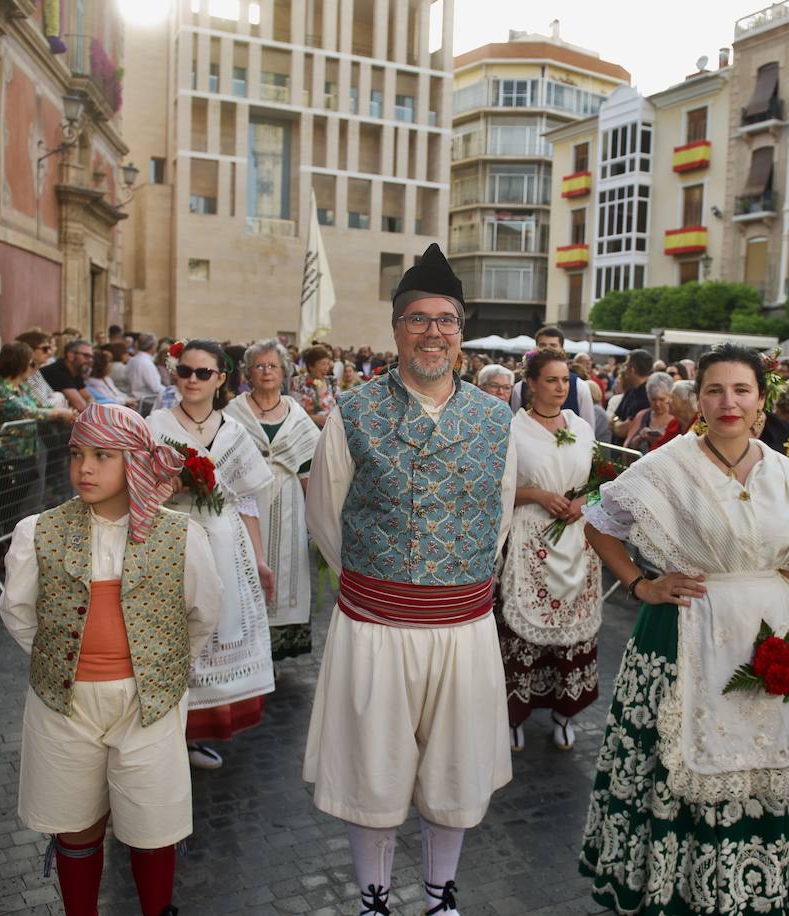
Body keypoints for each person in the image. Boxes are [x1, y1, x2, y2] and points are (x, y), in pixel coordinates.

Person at [579, 343, 789, 915]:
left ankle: (759, 893)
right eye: (716, 390)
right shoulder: (669, 464)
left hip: (774, 634)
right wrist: (639, 584)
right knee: (681, 768)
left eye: (741, 390)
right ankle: (685, 896)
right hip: (685, 636)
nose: (729, 402)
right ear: (698, 399)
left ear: (760, 402)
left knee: (769, 762)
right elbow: (598, 523)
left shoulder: (784, 472)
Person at [303, 243, 516, 916]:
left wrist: (453, 581)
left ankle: (438, 891)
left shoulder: (495, 417)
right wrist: (386, 581)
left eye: (446, 319)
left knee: (454, 768)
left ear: (460, 333)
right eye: (419, 318)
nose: (433, 331)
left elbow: (502, 515)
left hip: (464, 628)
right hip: (376, 628)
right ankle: (372, 895)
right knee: (373, 767)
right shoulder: (353, 412)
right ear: (396, 330)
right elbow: (326, 517)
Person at [0, 404, 222, 916]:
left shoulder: (179, 535)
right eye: (77, 454)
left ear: (136, 462)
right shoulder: (39, 531)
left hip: (149, 703)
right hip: (65, 704)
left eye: (103, 456)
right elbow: (18, 611)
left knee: (151, 822)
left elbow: (201, 612)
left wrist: (161, 665)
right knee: (73, 819)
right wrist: (64, 661)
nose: (85, 469)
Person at [149, 340, 275, 769]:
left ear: (221, 379)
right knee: (172, 636)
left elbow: (245, 501)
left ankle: (195, 734)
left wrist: (259, 559)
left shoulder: (234, 430)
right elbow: (135, 491)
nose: (193, 380)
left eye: (204, 373)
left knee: (215, 633)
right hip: (170, 544)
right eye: (185, 371)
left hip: (225, 547)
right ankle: (162, 732)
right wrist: (170, 487)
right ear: (175, 373)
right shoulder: (155, 425)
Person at [499, 348, 601, 753]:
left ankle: (565, 713)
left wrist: (586, 500)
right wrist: (537, 494)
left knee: (571, 634)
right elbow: (500, 488)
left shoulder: (581, 426)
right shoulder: (513, 429)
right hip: (529, 539)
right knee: (520, 633)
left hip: (576, 541)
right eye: (552, 380)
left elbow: (597, 480)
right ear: (532, 385)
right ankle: (513, 716)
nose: (561, 388)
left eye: (566, 381)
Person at [224, 339, 321, 661]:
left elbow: (311, 466)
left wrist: (319, 520)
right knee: (242, 566)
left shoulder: (295, 414)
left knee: (285, 569)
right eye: (259, 366)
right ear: (248, 372)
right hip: (243, 502)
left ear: (285, 373)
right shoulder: (233, 413)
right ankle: (243, 646)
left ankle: (273, 651)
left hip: (288, 505)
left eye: (273, 366)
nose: (266, 371)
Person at [507, 326, 596, 429]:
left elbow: (589, 426)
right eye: (542, 345)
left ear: (562, 350)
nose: (547, 349)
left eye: (553, 345)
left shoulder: (579, 386)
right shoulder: (520, 387)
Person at [621, 371, 674, 453]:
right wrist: (639, 438)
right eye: (653, 399)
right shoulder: (643, 415)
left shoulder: (676, 417)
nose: (657, 404)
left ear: (670, 396)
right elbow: (627, 446)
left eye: (662, 399)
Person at [611, 349, 654, 442]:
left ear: (632, 369)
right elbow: (612, 421)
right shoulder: (630, 390)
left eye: (626, 365)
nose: (624, 369)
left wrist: (615, 422)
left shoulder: (648, 396)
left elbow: (625, 430)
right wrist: (616, 422)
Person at [41, 339, 94, 413]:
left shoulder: (76, 371)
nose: (90, 360)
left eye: (91, 357)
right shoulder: (57, 371)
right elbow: (81, 407)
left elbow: (89, 398)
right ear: (71, 355)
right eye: (86, 356)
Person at [649, 379, 698, 450]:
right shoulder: (674, 424)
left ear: (685, 402)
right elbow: (656, 448)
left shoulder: (702, 424)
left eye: (672, 398)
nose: (667, 401)